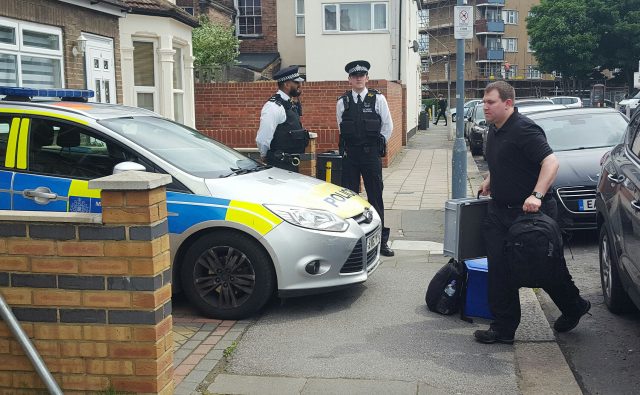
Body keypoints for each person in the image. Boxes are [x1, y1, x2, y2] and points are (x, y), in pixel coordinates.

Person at [474, 81, 590, 344]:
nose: (485, 107)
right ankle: (503, 329)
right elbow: (505, 161)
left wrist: (536, 195)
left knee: (544, 269)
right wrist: (490, 179)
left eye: (490, 102)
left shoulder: (524, 129)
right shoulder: (494, 129)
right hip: (499, 213)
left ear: (508, 103)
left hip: (530, 216)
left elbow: (551, 162)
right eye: (484, 102)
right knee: (500, 270)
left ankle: (574, 306)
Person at [336, 60, 394, 257]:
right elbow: (340, 127)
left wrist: (378, 145)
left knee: (375, 197)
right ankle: (354, 242)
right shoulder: (342, 102)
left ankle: (382, 242)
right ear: (349, 79)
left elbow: (388, 126)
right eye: (355, 76)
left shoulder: (378, 99)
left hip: (370, 156)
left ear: (367, 78)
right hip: (350, 156)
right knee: (351, 198)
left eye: (362, 75)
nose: (359, 78)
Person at [256, 65, 309, 172]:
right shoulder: (274, 106)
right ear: (287, 84)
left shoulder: (290, 104)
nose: (300, 85)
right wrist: (264, 156)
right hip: (278, 165)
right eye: (296, 82)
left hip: (291, 165)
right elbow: (263, 137)